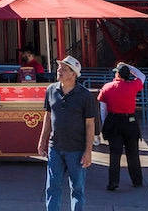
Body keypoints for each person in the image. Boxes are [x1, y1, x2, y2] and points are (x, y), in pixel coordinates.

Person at [37, 56, 95, 211]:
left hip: (76, 149)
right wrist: (42, 140)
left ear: (73, 74)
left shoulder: (85, 95)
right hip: (55, 147)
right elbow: (48, 116)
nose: (59, 71)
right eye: (59, 67)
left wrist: (88, 151)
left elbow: (90, 124)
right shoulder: (51, 90)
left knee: (77, 188)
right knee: (52, 187)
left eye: (64, 69)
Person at [97, 63, 146, 191]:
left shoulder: (107, 87)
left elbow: (103, 109)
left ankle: (113, 182)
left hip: (113, 121)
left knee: (115, 154)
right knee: (133, 153)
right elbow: (142, 76)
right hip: (130, 121)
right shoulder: (133, 86)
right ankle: (137, 180)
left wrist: (104, 123)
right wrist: (129, 67)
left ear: (117, 74)